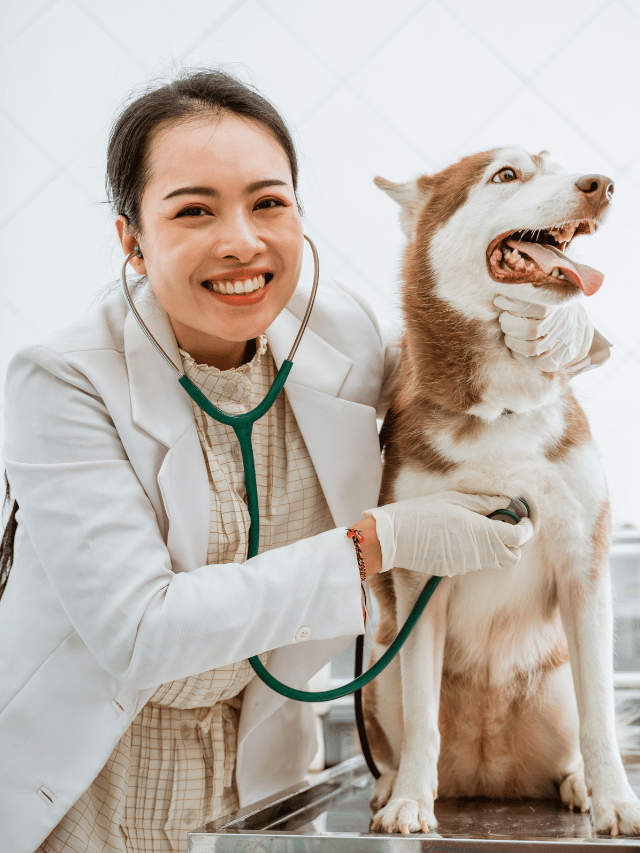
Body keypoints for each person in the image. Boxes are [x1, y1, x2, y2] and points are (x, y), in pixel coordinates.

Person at [0, 69, 605, 853]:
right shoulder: (63, 381)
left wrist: (568, 324)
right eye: (193, 211)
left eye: (269, 202)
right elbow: (140, 631)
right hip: (91, 792)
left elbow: (466, 370)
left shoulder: (337, 335)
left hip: (259, 797)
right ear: (133, 240)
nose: (242, 241)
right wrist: (376, 544)